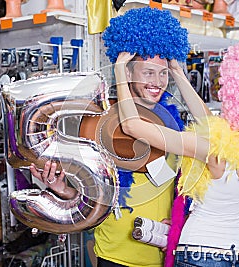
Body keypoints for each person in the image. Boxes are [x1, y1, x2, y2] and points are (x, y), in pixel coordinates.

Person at [115, 34, 239, 267]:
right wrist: (178, 74)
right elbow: (208, 122)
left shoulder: (211, 148)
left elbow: (132, 125)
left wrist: (121, 70)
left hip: (201, 251)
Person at [30, 7, 192, 267]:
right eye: (148, 72)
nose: (157, 82)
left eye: (163, 73)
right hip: (113, 256)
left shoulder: (175, 126)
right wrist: (61, 189)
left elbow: (188, 190)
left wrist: (181, 221)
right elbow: (90, 197)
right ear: (127, 72)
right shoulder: (99, 124)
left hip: (163, 255)